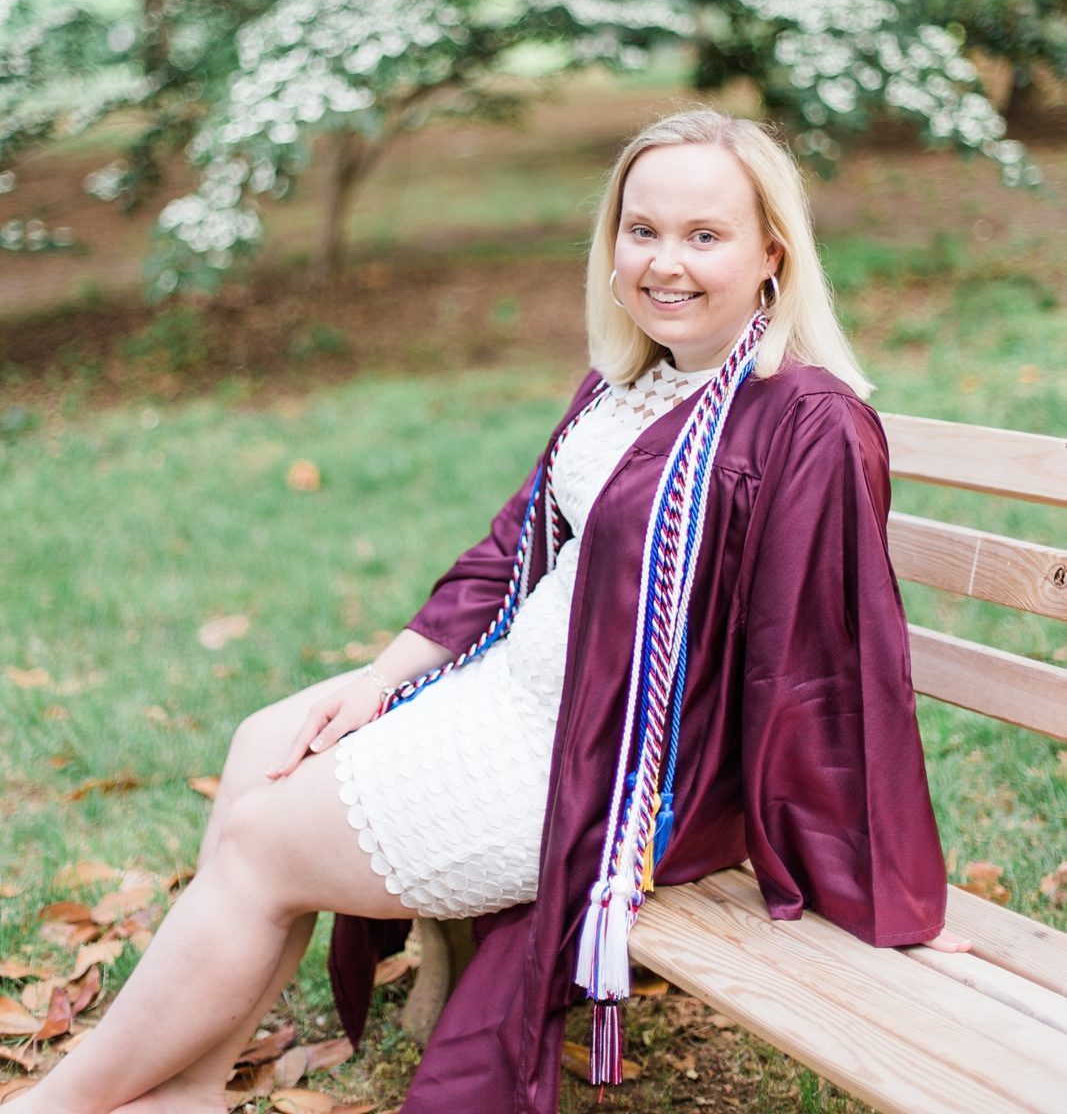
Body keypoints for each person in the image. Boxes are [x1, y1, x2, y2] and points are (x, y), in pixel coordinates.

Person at [17, 107, 969, 1114]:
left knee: (259, 843)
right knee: (267, 740)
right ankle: (191, 1085)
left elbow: (823, 663)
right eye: (640, 230)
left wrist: (884, 888)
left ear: (769, 251)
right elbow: (506, 552)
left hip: (607, 773)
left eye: (703, 235)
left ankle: (60, 1106)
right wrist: (380, 679)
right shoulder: (626, 385)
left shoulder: (803, 421)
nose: (664, 263)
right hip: (511, 699)